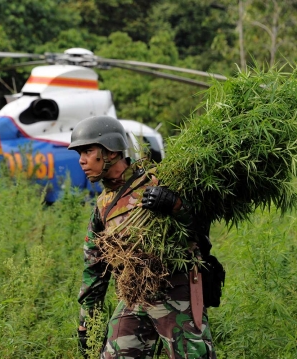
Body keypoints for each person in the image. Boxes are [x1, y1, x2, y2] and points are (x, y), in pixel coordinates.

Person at [68, 115, 216, 359]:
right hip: (133, 295)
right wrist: (87, 321)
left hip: (175, 291)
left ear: (112, 152)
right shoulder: (103, 204)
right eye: (79, 153)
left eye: (88, 151)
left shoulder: (157, 181)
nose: (82, 161)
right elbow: (94, 266)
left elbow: (199, 231)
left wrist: (175, 204)